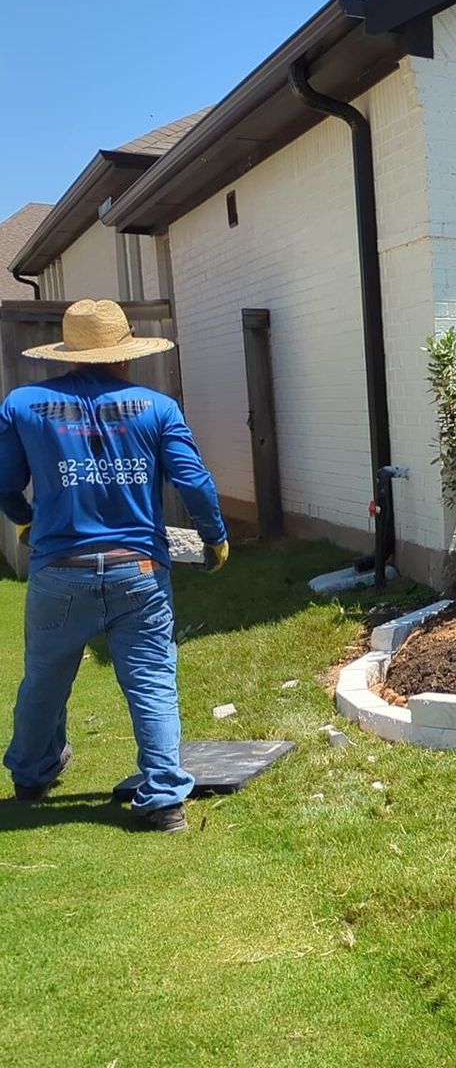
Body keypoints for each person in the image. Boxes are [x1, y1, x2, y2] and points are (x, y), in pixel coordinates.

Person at [0, 300, 228, 833]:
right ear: (125, 355)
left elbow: (4, 483)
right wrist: (215, 538)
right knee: (151, 681)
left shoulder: (24, 403)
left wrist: (28, 522)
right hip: (139, 571)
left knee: (45, 678)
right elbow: (194, 482)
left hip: (59, 570)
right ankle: (165, 799)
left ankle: (31, 775)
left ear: (69, 353)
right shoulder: (156, 407)